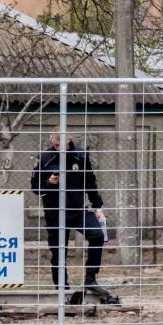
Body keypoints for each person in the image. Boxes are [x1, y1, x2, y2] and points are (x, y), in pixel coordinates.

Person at [31, 129, 119, 304]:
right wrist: (49, 182)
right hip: (55, 211)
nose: (58, 148)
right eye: (55, 145)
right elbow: (35, 187)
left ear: (69, 140)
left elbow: (90, 182)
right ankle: (62, 289)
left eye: (61, 145)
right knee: (59, 251)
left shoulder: (80, 156)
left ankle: (90, 279)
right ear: (51, 139)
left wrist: (97, 207)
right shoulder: (44, 157)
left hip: (77, 209)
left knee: (97, 235)